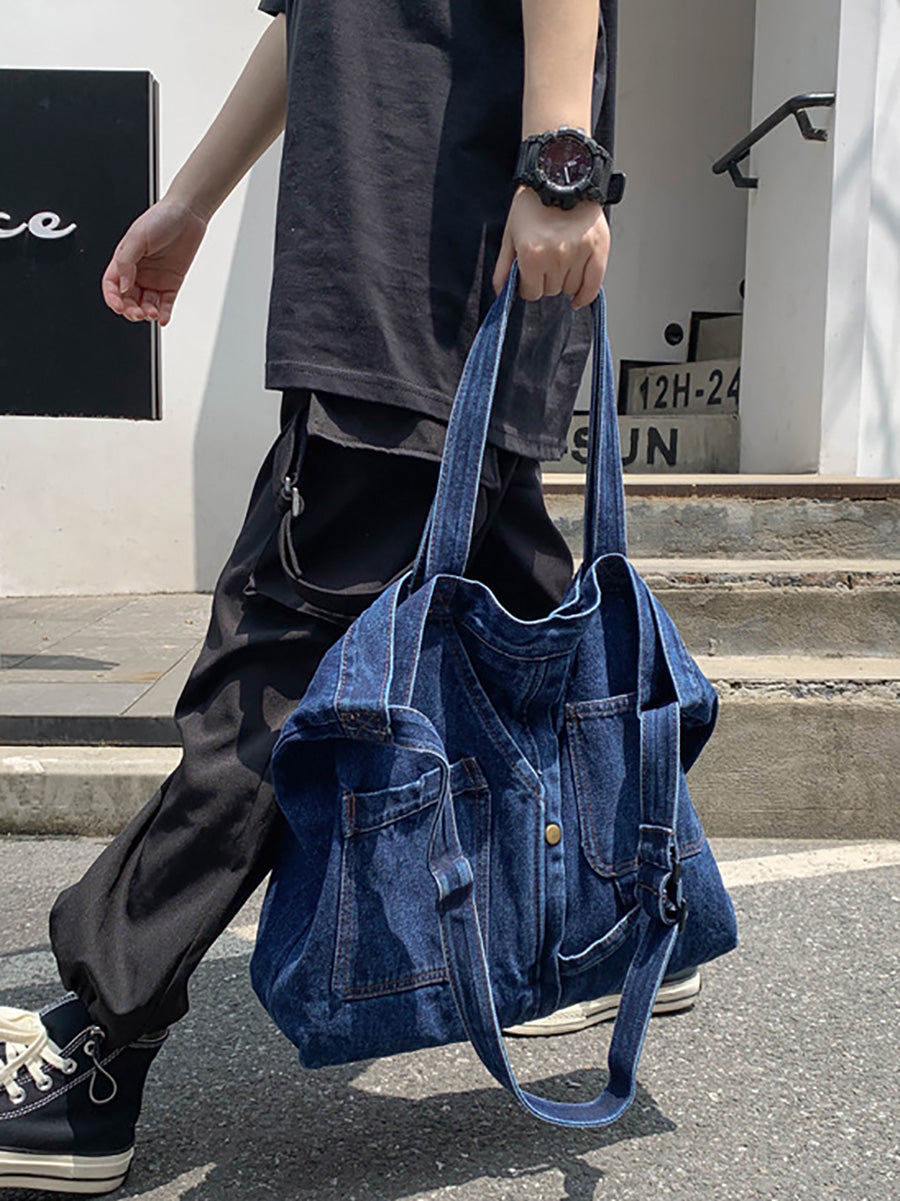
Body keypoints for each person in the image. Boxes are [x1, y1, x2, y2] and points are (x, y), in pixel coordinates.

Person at [0, 2, 697, 1193]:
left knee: (275, 679)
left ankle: (97, 1048)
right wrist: (192, 201)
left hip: (427, 274)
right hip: (392, 273)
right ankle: (633, 909)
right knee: (520, 624)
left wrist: (561, 162)